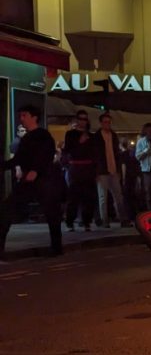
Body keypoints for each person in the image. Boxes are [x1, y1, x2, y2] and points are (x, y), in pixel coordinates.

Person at [0, 105, 63, 257]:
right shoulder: (26, 138)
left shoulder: (43, 135)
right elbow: (19, 158)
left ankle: (56, 247)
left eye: (24, 115)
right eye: (21, 116)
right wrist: (5, 166)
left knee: (51, 213)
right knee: (6, 210)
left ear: (34, 117)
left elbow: (47, 155)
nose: (22, 119)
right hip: (29, 179)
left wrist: (36, 170)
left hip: (43, 180)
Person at [93, 113, 129, 228]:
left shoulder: (113, 135)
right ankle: (105, 220)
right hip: (102, 170)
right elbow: (95, 156)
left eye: (109, 122)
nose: (107, 124)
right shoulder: (97, 137)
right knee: (103, 197)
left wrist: (118, 170)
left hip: (112, 169)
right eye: (105, 122)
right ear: (101, 123)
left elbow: (116, 153)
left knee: (118, 196)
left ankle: (122, 219)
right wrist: (96, 172)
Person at [63, 110, 97, 231]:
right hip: (76, 168)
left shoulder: (91, 136)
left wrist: (95, 170)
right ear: (77, 120)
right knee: (73, 196)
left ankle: (87, 221)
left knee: (88, 197)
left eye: (85, 119)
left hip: (88, 168)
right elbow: (67, 150)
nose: (83, 121)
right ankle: (70, 222)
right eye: (81, 119)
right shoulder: (70, 134)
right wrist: (79, 142)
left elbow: (95, 154)